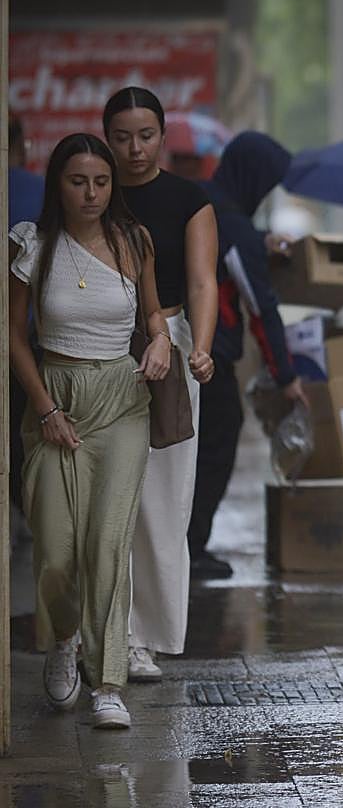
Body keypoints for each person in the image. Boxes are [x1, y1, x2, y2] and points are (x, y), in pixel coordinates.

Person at [8, 132, 172, 728]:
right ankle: (61, 642)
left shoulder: (134, 241)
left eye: (101, 182)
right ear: (58, 183)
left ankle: (107, 684)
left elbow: (153, 313)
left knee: (107, 543)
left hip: (122, 399)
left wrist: (158, 341)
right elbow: (14, 337)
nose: (92, 193)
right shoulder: (32, 245)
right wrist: (46, 409)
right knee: (54, 547)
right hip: (55, 398)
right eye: (79, 181)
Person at [103, 87, 218, 681]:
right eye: (122, 136)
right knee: (104, 494)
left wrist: (199, 345)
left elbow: (203, 281)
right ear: (106, 138)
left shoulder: (188, 200)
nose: (134, 148)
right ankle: (107, 632)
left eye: (145, 135)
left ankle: (146, 635)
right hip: (96, 342)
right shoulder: (92, 191)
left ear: (162, 135)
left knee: (164, 495)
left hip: (169, 343)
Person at [188, 131, 307, 574]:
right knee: (217, 442)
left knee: (184, 449)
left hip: (172, 344)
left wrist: (260, 240)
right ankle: (189, 548)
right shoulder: (234, 226)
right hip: (208, 353)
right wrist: (286, 375)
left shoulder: (203, 202)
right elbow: (262, 308)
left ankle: (179, 547)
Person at [8, 115, 46, 530]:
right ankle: (22, 513)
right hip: (31, 333)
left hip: (24, 330)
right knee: (23, 426)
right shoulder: (39, 192)